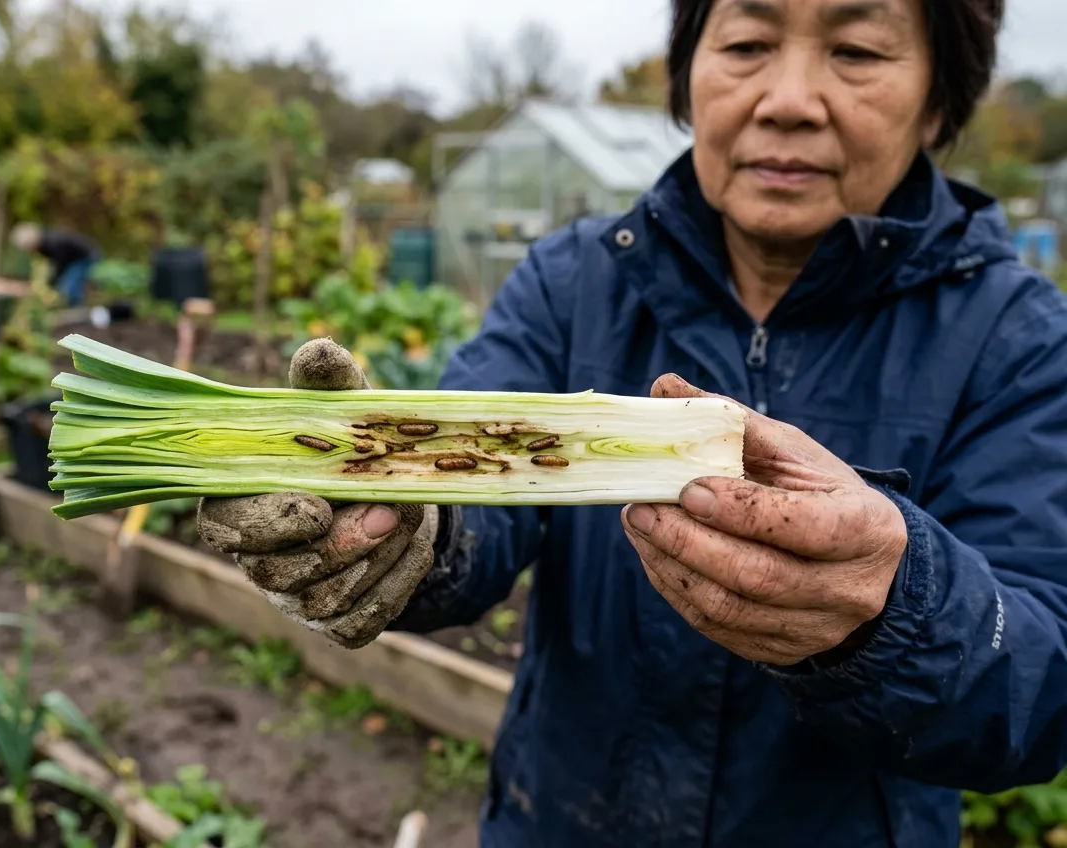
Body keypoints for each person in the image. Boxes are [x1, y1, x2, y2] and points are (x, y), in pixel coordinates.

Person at [197, 0, 1067, 845]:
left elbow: (1041, 678)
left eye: (858, 52)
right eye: (748, 42)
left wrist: (895, 610)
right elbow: (478, 503)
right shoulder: (572, 284)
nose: (790, 100)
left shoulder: (1017, 341)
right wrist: (408, 523)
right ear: (687, 78)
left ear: (941, 97)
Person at [9, 222, 99, 307]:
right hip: (75, 259)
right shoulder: (44, 243)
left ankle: (78, 309)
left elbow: (61, 262)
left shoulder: (51, 243)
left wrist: (53, 281)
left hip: (85, 257)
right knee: (67, 282)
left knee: (69, 287)